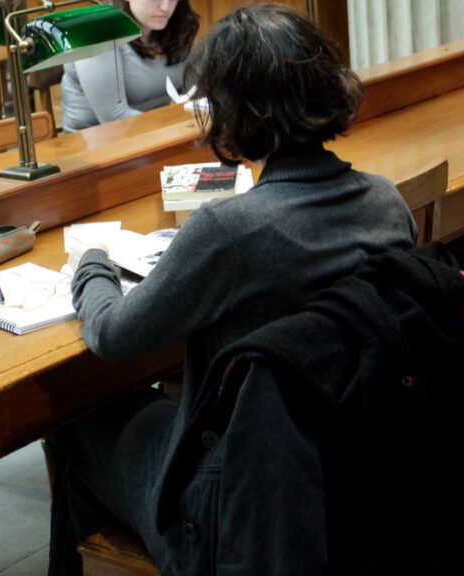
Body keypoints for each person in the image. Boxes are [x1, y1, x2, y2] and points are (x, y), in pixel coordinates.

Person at [48, 3, 417, 574]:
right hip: (355, 473)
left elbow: (115, 335)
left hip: (237, 505)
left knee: (77, 419)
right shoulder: (386, 201)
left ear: (231, 114)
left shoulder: (228, 229)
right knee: (149, 413)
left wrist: (92, 264)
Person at [59, 0, 199, 133]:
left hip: (157, 134)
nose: (166, 7)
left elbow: (191, 91)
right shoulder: (96, 32)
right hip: (96, 142)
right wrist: (177, 127)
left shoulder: (174, 25)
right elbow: (115, 118)